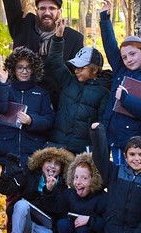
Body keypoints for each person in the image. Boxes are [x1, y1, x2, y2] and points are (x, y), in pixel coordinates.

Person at [98, 0, 141, 164]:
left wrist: (125, 99)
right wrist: (104, 18)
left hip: (132, 142)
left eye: (133, 54)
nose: (128, 60)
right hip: (110, 135)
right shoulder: (121, 71)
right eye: (125, 57)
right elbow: (110, 45)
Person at [46, 17, 110, 154]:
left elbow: (102, 127)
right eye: (75, 66)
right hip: (56, 146)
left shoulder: (103, 93)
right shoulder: (68, 81)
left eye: (82, 67)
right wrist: (58, 37)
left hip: (81, 152)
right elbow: (54, 61)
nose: (76, 70)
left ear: (94, 69)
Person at [0, 47, 55, 168]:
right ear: (13, 69)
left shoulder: (41, 93)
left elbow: (49, 120)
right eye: (20, 67)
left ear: (34, 69)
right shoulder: (5, 87)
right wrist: (3, 82)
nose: (24, 71)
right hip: (7, 153)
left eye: (28, 67)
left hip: (33, 154)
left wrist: (31, 121)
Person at [7, 147, 74, 233]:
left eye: (57, 164)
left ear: (62, 168)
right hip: (25, 219)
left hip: (43, 224)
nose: (52, 166)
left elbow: (57, 211)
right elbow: (8, 190)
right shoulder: (30, 176)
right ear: (41, 163)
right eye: (48, 161)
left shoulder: (63, 187)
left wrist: (49, 190)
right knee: (22, 204)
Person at [53, 152, 107, 233]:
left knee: (83, 229)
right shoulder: (70, 194)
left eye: (84, 178)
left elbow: (107, 226)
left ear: (94, 179)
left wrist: (90, 220)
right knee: (62, 223)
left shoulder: (102, 198)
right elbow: (55, 207)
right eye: (76, 177)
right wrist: (49, 191)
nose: (78, 182)